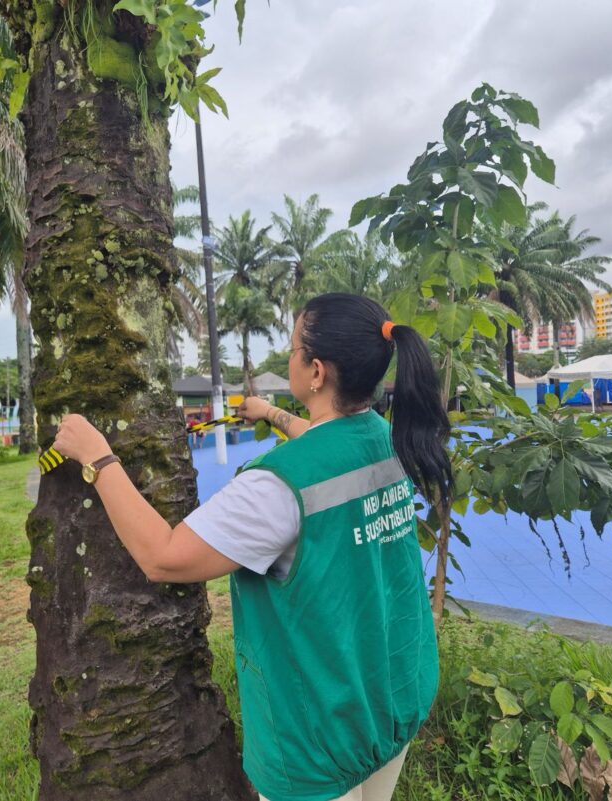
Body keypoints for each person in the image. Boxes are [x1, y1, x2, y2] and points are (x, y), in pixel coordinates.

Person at [53, 293, 452, 801]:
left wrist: (98, 457)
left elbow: (164, 556)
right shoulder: (386, 439)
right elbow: (325, 441)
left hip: (320, 742)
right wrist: (273, 414)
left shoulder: (276, 488)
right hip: (393, 701)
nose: (287, 358)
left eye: (292, 349)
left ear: (316, 372)